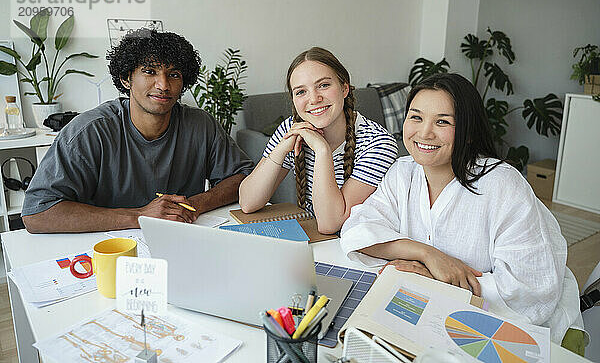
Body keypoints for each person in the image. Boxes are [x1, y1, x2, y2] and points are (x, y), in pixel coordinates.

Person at [340, 73, 585, 347]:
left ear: (467, 132)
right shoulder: (402, 172)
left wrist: (433, 277)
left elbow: (529, 287)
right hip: (438, 311)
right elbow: (356, 231)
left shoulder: (502, 183)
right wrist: (426, 253)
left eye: (442, 121)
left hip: (524, 328)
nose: (424, 133)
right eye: (416, 117)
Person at [22, 28, 253, 233]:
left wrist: (192, 205)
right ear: (126, 78)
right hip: (108, 250)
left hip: (181, 240)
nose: (163, 85)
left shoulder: (200, 125)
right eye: (150, 71)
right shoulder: (89, 131)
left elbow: (242, 177)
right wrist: (140, 215)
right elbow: (37, 213)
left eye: (173, 74)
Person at [239, 47, 398, 234]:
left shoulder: (378, 144)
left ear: (344, 88)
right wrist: (280, 150)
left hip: (359, 248)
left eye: (323, 85)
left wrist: (322, 151)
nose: (314, 99)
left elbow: (330, 224)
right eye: (301, 92)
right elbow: (248, 203)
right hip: (317, 243)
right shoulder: (292, 128)